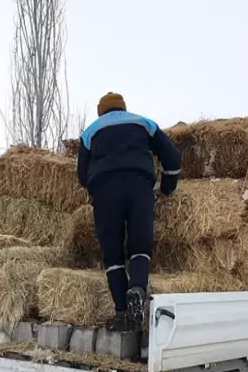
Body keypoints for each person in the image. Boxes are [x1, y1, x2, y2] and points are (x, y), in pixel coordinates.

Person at [77, 92, 183, 332]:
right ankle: (137, 287)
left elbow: (82, 176)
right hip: (139, 185)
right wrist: (166, 187)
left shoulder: (90, 132)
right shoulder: (144, 123)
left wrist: (97, 182)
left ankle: (123, 312)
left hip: (104, 191)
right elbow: (173, 158)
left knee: (112, 255)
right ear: (124, 108)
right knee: (139, 245)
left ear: (100, 112)